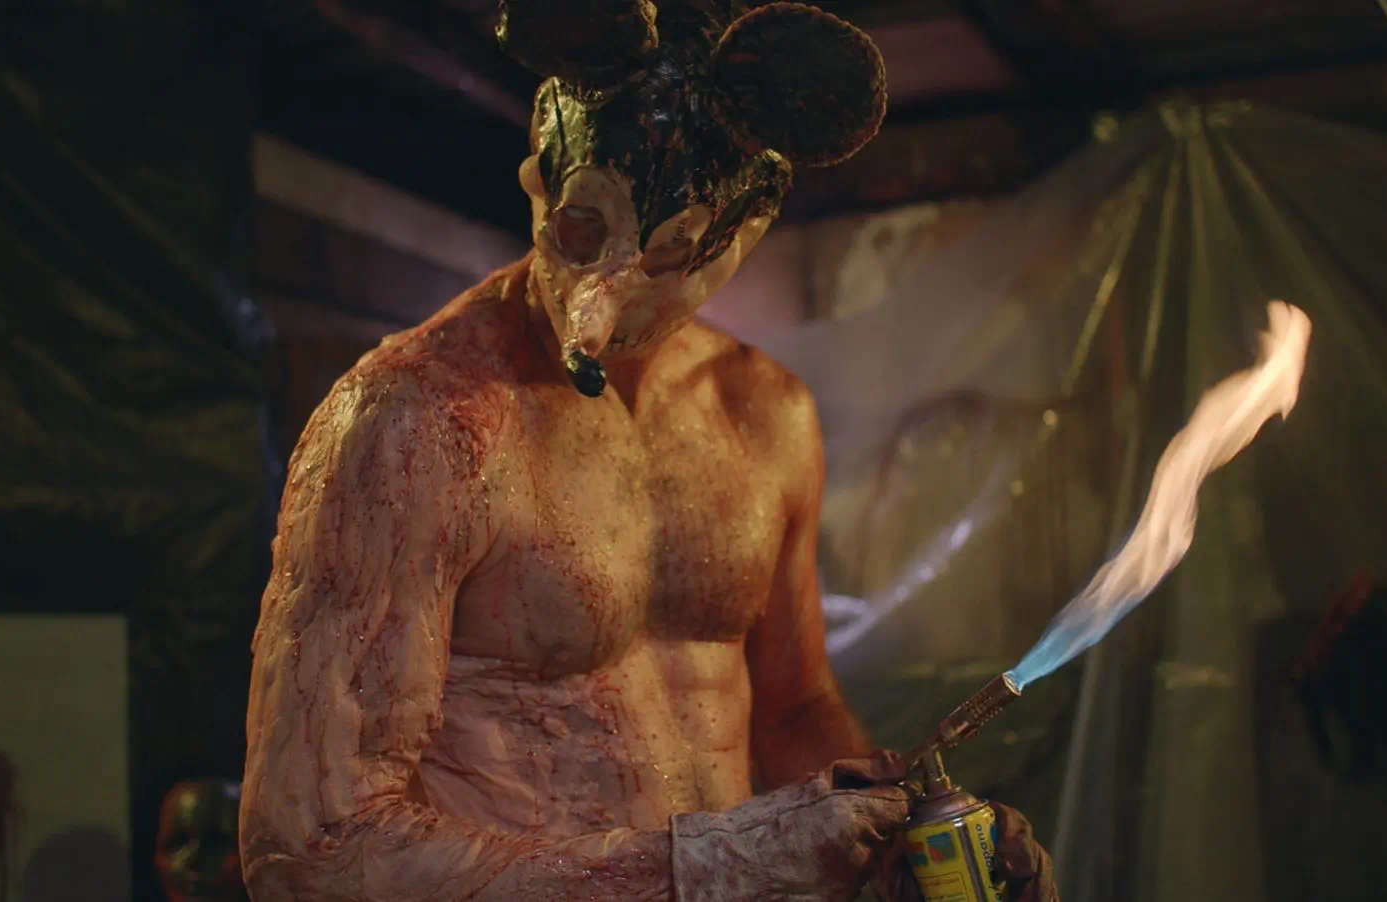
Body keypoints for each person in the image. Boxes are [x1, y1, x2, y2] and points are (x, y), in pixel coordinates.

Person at [239, 3, 1054, 900]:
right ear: (537, 180)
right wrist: (702, 867)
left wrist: (902, 843)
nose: (606, 296)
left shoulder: (764, 412)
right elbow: (309, 843)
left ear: (745, 231)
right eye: (581, 233)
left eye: (669, 252)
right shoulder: (414, 421)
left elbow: (792, 711)